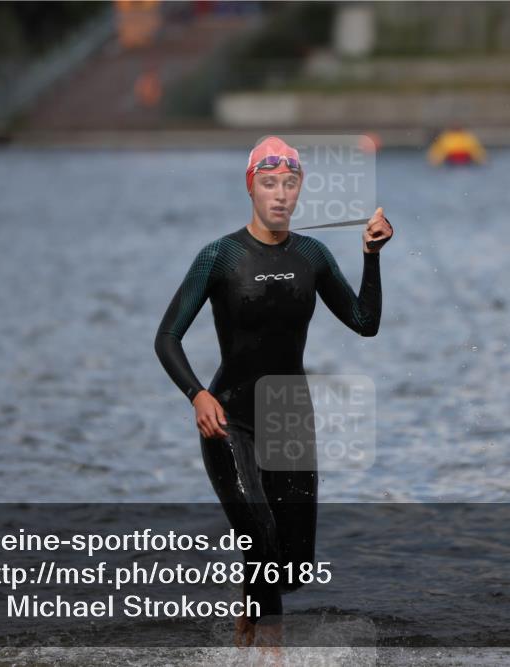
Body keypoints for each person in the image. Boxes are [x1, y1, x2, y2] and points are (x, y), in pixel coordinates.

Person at [154, 135, 393, 648]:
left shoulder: (314, 254)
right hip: (229, 416)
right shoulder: (219, 257)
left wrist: (371, 255)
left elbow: (364, 322)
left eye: (289, 183)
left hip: (289, 417)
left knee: (291, 567)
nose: (280, 194)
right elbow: (167, 336)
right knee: (259, 529)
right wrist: (197, 394)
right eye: (269, 184)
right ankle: (271, 651)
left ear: (300, 188)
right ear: (251, 188)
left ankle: (249, 615)